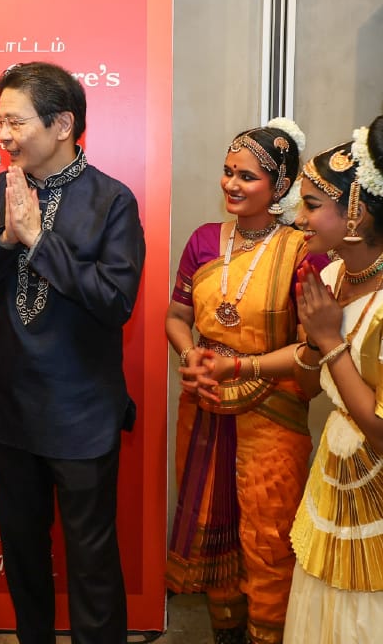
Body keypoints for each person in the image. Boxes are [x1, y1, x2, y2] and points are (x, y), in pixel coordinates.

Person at [0, 61, 145, 644]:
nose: (2, 134)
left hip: (81, 409)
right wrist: (7, 236)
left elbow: (114, 302)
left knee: (91, 559)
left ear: (62, 124)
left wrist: (40, 240)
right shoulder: (0, 190)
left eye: (15, 121)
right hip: (11, 404)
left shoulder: (112, 200)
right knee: (23, 551)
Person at [164, 119, 319, 644]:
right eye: (227, 172)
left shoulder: (302, 250)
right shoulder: (205, 241)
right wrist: (190, 356)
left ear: (279, 186)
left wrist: (243, 367)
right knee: (214, 533)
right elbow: (176, 316)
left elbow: (313, 348)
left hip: (272, 413)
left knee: (268, 538)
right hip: (205, 407)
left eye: (247, 176)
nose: (231, 184)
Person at [283, 117, 383, 643]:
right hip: (335, 472)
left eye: (310, 205)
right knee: (321, 604)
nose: (297, 218)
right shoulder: (334, 274)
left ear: (356, 213)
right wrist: (240, 367)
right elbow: (308, 358)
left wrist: (331, 342)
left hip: (377, 488)